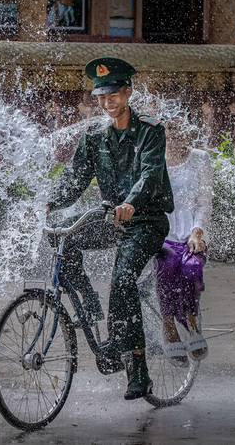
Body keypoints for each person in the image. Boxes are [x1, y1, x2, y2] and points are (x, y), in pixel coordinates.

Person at [45, 57, 174, 400]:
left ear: (128, 92)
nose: (107, 103)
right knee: (63, 238)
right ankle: (90, 306)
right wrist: (47, 204)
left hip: (146, 220)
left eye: (113, 95)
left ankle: (138, 371)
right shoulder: (93, 137)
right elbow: (73, 180)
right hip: (113, 220)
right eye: (101, 97)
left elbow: (149, 174)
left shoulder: (150, 130)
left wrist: (131, 202)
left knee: (122, 278)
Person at [154, 114, 212, 365]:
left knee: (190, 270)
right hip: (162, 232)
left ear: (190, 130)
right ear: (163, 132)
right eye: (169, 130)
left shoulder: (201, 159)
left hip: (191, 233)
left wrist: (196, 232)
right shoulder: (153, 158)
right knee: (166, 266)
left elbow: (204, 203)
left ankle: (190, 320)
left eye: (180, 129)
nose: (175, 135)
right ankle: (169, 325)